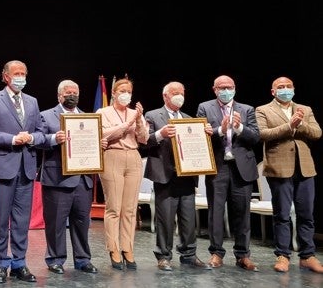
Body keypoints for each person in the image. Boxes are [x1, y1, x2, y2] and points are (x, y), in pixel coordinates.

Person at [0, 60, 46, 284]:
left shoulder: (32, 101)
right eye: (16, 73)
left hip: (27, 168)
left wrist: (32, 138)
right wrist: (12, 139)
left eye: (24, 73)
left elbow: (41, 132)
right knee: (1, 220)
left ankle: (19, 263)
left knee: (21, 220)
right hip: (3, 167)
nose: (21, 77)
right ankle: (1, 263)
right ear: (6, 77)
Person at [255, 76, 323, 273]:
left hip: (305, 168)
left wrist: (300, 124)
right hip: (279, 168)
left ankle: (307, 256)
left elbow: (317, 133)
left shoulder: (305, 109)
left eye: (288, 86)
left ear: (293, 88)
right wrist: (290, 126)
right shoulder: (263, 110)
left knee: (306, 214)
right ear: (273, 91)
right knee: (282, 215)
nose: (285, 89)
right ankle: (283, 256)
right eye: (280, 87)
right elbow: (263, 134)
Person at [36, 79, 103, 275]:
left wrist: (99, 144)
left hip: (83, 179)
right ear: (59, 96)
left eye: (75, 92)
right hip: (57, 178)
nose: (72, 95)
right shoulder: (46, 116)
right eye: (68, 93)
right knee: (56, 223)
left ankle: (83, 259)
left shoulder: (88, 118)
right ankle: (55, 259)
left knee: (82, 222)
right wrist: (53, 139)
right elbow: (38, 141)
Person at [143, 81, 212, 271]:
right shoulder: (152, 115)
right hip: (164, 174)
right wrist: (160, 134)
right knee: (165, 218)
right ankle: (163, 256)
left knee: (188, 218)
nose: (179, 95)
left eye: (182, 92)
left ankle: (189, 255)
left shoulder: (190, 118)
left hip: (186, 175)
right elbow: (143, 141)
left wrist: (206, 135)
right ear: (165, 96)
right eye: (175, 92)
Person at [196, 75, 260, 271]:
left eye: (229, 87)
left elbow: (256, 137)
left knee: (242, 212)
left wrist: (239, 127)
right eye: (221, 87)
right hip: (218, 166)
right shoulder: (205, 107)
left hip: (242, 168)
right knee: (215, 211)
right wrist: (221, 130)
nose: (226, 90)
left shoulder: (247, 109)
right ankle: (216, 253)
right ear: (214, 89)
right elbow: (200, 135)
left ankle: (243, 255)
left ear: (235, 88)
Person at [96, 77, 149, 270]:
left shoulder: (136, 113)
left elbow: (144, 139)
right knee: (114, 208)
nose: (126, 94)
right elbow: (104, 135)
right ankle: (114, 249)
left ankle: (128, 248)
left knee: (129, 209)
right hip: (112, 156)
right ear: (114, 93)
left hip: (133, 157)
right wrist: (128, 124)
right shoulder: (103, 112)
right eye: (122, 90)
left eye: (129, 91)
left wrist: (140, 122)